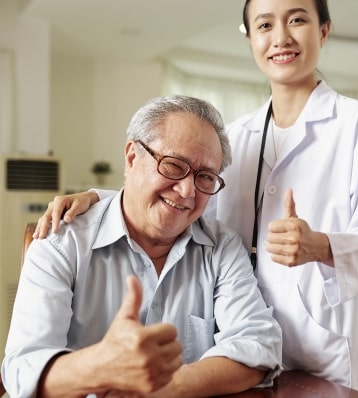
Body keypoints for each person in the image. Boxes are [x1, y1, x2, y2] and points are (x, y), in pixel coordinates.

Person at [30, 0, 358, 396]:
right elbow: (187, 203)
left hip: (325, 347)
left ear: (323, 30)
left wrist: (321, 246)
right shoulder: (236, 135)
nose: (281, 37)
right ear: (251, 38)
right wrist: (97, 198)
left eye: (297, 19)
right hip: (235, 347)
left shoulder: (356, 123)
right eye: (264, 25)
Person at [1, 95, 283, 398]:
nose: (187, 191)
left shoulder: (221, 247)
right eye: (174, 166)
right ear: (132, 158)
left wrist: (163, 390)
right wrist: (102, 366)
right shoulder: (61, 241)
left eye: (205, 177)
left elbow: (258, 346)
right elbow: (23, 370)